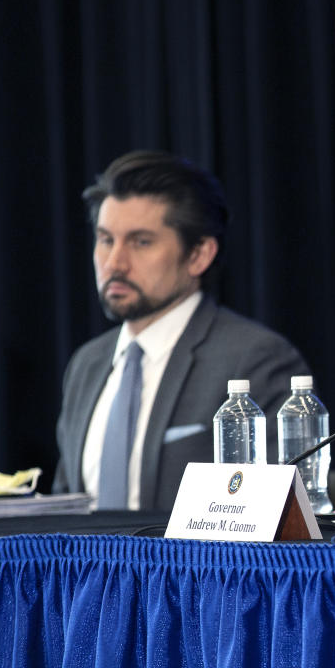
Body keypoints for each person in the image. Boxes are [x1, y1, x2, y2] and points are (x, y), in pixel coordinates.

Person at [53, 150, 308, 511]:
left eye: (141, 242)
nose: (114, 262)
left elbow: (274, 522)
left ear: (199, 255)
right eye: (106, 239)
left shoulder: (255, 360)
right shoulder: (86, 364)